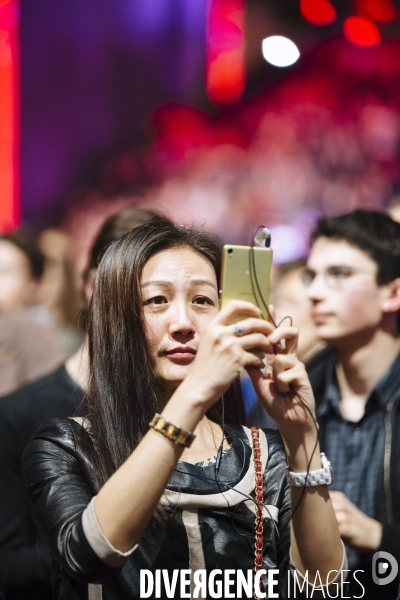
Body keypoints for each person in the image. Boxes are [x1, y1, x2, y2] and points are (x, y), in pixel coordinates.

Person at [23, 221, 344, 600]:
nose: (183, 324)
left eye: (203, 301)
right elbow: (90, 556)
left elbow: (324, 587)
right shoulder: (67, 446)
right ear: (117, 319)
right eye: (157, 300)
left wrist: (301, 435)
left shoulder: (264, 453)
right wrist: (195, 394)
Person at [0, 208, 166, 600]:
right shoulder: (19, 413)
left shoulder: (182, 405)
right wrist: (101, 545)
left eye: (157, 296)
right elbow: (8, 566)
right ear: (92, 286)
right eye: (134, 290)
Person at [304, 209, 400, 599]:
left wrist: (378, 535)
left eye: (340, 275)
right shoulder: (296, 391)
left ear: (392, 293)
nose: (315, 291)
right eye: (312, 275)